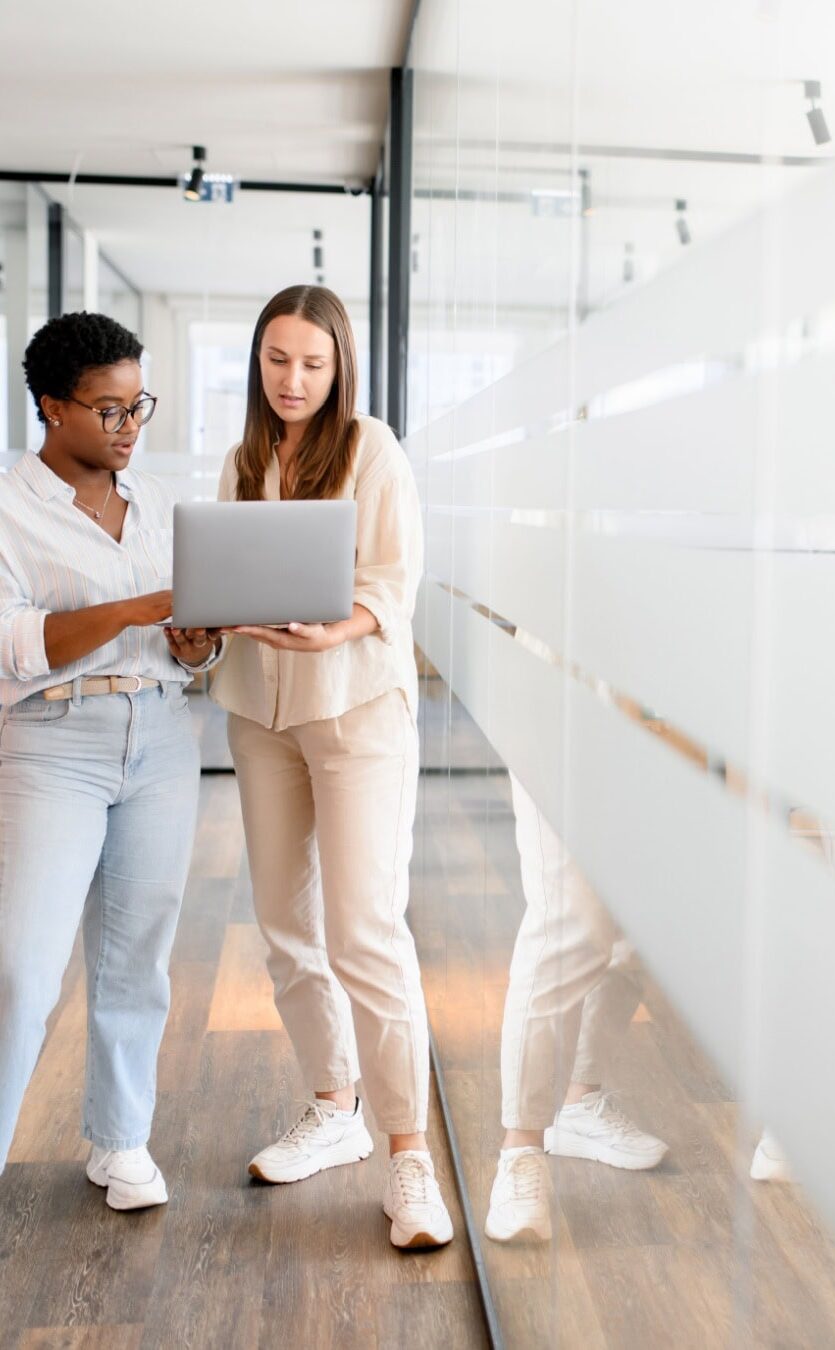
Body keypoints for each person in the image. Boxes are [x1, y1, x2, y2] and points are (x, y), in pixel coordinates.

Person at [204, 284, 452, 1249]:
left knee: (363, 932)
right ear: (258, 361)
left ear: (339, 363)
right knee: (284, 928)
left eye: (312, 362)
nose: (294, 379)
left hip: (354, 709)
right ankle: (333, 1110)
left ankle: (409, 1158)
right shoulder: (243, 458)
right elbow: (228, 573)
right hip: (259, 714)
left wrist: (334, 628)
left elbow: (393, 580)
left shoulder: (371, 449)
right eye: (277, 360)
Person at [0, 311, 214, 1210]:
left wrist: (197, 639)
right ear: (53, 407)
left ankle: (121, 1142)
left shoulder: (161, 505)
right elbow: (12, 642)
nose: (129, 428)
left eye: (138, 407)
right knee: (22, 965)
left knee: (137, 957)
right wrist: (133, 610)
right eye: (109, 410)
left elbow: (189, 651)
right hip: (54, 742)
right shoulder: (10, 506)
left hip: (162, 737)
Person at [485, 774, 667, 1243]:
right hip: (561, 727)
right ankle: (520, 1151)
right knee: (566, 926)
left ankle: (580, 1103)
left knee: (634, 928)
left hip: (646, 733)